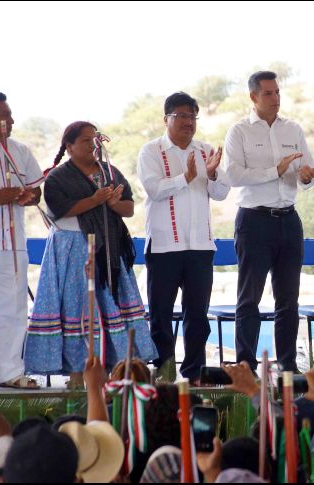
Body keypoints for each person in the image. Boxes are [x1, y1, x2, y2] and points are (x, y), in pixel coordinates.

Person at [25, 121, 157, 386]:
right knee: (76, 306)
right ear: (69, 146)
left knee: (109, 305)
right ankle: (76, 373)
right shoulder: (57, 177)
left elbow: (128, 208)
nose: (92, 145)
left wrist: (113, 203)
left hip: (108, 247)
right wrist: (95, 201)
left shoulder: (109, 171)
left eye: (95, 139)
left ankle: (110, 370)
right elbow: (59, 209)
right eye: (85, 140)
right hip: (72, 248)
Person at [224, 71, 314, 373]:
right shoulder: (239, 131)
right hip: (254, 221)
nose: (275, 98)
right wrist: (275, 170)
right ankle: (246, 366)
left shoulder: (293, 129)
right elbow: (234, 175)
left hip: (289, 220)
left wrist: (306, 177)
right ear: (253, 97)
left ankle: (288, 366)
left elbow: (307, 173)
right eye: (268, 93)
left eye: (278, 92)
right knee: (249, 297)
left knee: (289, 299)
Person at [138, 92, 230, 383]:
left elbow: (222, 193)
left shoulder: (205, 151)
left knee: (198, 318)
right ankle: (164, 374)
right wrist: (186, 177)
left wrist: (212, 174)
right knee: (161, 315)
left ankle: (194, 374)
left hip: (200, 247)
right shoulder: (151, 151)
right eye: (181, 116)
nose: (188, 122)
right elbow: (155, 189)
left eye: (192, 116)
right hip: (165, 246)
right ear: (166, 119)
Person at [0, 91, 43, 390]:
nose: (12, 120)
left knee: (13, 309)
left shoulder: (19, 150)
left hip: (13, 245)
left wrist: (30, 197)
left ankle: (10, 372)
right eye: (5, 115)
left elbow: (35, 190)